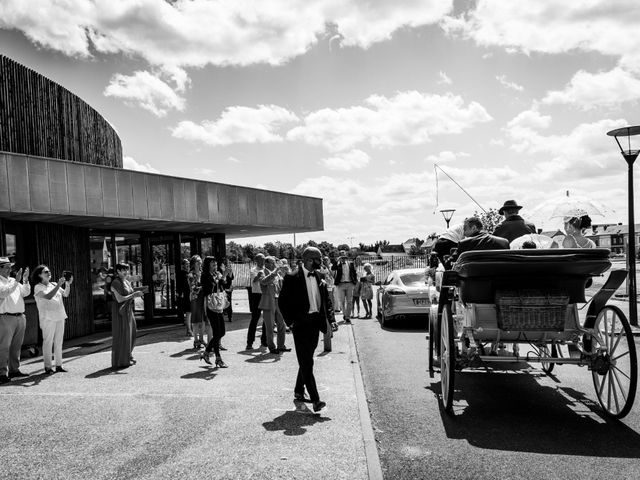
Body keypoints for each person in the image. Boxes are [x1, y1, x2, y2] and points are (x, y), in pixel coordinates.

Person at [278, 247, 337, 413]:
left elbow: (326, 301)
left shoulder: (320, 276)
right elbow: (283, 302)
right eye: (319, 259)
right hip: (300, 325)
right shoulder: (292, 277)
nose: (322, 262)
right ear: (309, 260)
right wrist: (290, 323)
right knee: (306, 361)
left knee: (307, 359)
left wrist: (331, 320)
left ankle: (298, 390)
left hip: (315, 323)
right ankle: (316, 400)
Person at [32, 266, 72, 374]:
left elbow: (66, 294)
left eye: (49, 271)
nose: (48, 273)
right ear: (39, 275)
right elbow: (48, 296)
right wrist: (59, 285)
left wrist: (67, 284)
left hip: (59, 315)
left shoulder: (53, 284)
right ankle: (48, 367)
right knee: (48, 342)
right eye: (45, 272)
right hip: (47, 318)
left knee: (59, 342)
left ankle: (59, 365)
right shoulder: (38, 287)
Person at [0, 258, 30, 384]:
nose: (9, 269)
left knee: (16, 346)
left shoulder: (13, 281)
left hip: (20, 316)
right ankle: (2, 373)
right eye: (6, 266)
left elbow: (26, 292)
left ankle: (14, 369)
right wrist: (17, 281)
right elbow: (4, 293)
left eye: (10, 266)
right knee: (4, 346)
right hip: (6, 317)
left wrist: (25, 280)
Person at [111, 263, 144, 369]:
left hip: (128, 310)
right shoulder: (115, 282)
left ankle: (128, 355)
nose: (126, 272)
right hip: (119, 311)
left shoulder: (126, 281)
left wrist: (139, 292)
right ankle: (122, 360)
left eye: (127, 270)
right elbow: (119, 299)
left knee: (132, 333)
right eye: (123, 270)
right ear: (118, 271)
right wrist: (133, 295)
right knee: (123, 335)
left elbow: (130, 294)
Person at [200, 257, 228, 368]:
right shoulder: (205, 275)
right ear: (207, 265)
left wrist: (225, 275)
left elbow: (224, 285)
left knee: (222, 332)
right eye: (212, 264)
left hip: (219, 304)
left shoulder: (217, 274)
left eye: (215, 264)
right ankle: (218, 358)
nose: (215, 266)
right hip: (211, 305)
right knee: (217, 332)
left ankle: (206, 352)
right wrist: (220, 278)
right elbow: (209, 288)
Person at [258, 256, 287, 354]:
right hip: (268, 301)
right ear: (266, 263)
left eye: (275, 262)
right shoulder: (262, 272)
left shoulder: (277, 273)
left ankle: (281, 345)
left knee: (281, 324)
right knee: (269, 327)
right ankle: (272, 347)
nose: (275, 264)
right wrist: (275, 272)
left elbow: (281, 285)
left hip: (278, 300)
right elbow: (263, 281)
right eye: (273, 262)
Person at [247, 253, 267, 350]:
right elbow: (254, 281)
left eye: (264, 259)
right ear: (257, 261)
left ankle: (264, 341)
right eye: (261, 259)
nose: (263, 261)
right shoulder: (253, 270)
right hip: (256, 295)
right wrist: (258, 276)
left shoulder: (266, 269)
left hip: (265, 294)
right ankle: (249, 342)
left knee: (266, 318)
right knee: (255, 318)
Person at [332, 250, 357, 323]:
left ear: (346, 255)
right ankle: (345, 314)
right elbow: (333, 268)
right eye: (341, 255)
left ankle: (347, 316)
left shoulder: (350, 263)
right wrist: (337, 260)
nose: (343, 257)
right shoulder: (338, 264)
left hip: (349, 284)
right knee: (342, 301)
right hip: (340, 284)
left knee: (349, 301)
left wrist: (354, 283)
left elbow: (354, 273)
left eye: (344, 255)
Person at [188, 255, 208, 349]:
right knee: (196, 320)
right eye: (197, 261)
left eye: (200, 261)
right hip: (195, 299)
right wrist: (203, 287)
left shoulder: (202, 273)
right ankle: (196, 340)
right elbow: (193, 288)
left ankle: (202, 338)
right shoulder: (191, 275)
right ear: (193, 263)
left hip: (203, 298)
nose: (200, 263)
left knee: (203, 320)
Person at [318, 257, 335, 352]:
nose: (324, 261)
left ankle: (330, 331)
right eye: (323, 260)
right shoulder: (319, 268)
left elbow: (333, 276)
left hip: (330, 288)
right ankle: (327, 331)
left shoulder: (331, 267)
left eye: (326, 259)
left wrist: (328, 267)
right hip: (322, 290)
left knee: (330, 308)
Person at [177, 259, 192, 336]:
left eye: (188, 264)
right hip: (185, 295)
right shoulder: (182, 273)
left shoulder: (189, 273)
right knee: (188, 312)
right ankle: (188, 330)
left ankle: (189, 329)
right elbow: (179, 285)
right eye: (186, 264)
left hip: (190, 294)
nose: (188, 266)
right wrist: (180, 294)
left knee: (190, 312)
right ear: (183, 265)